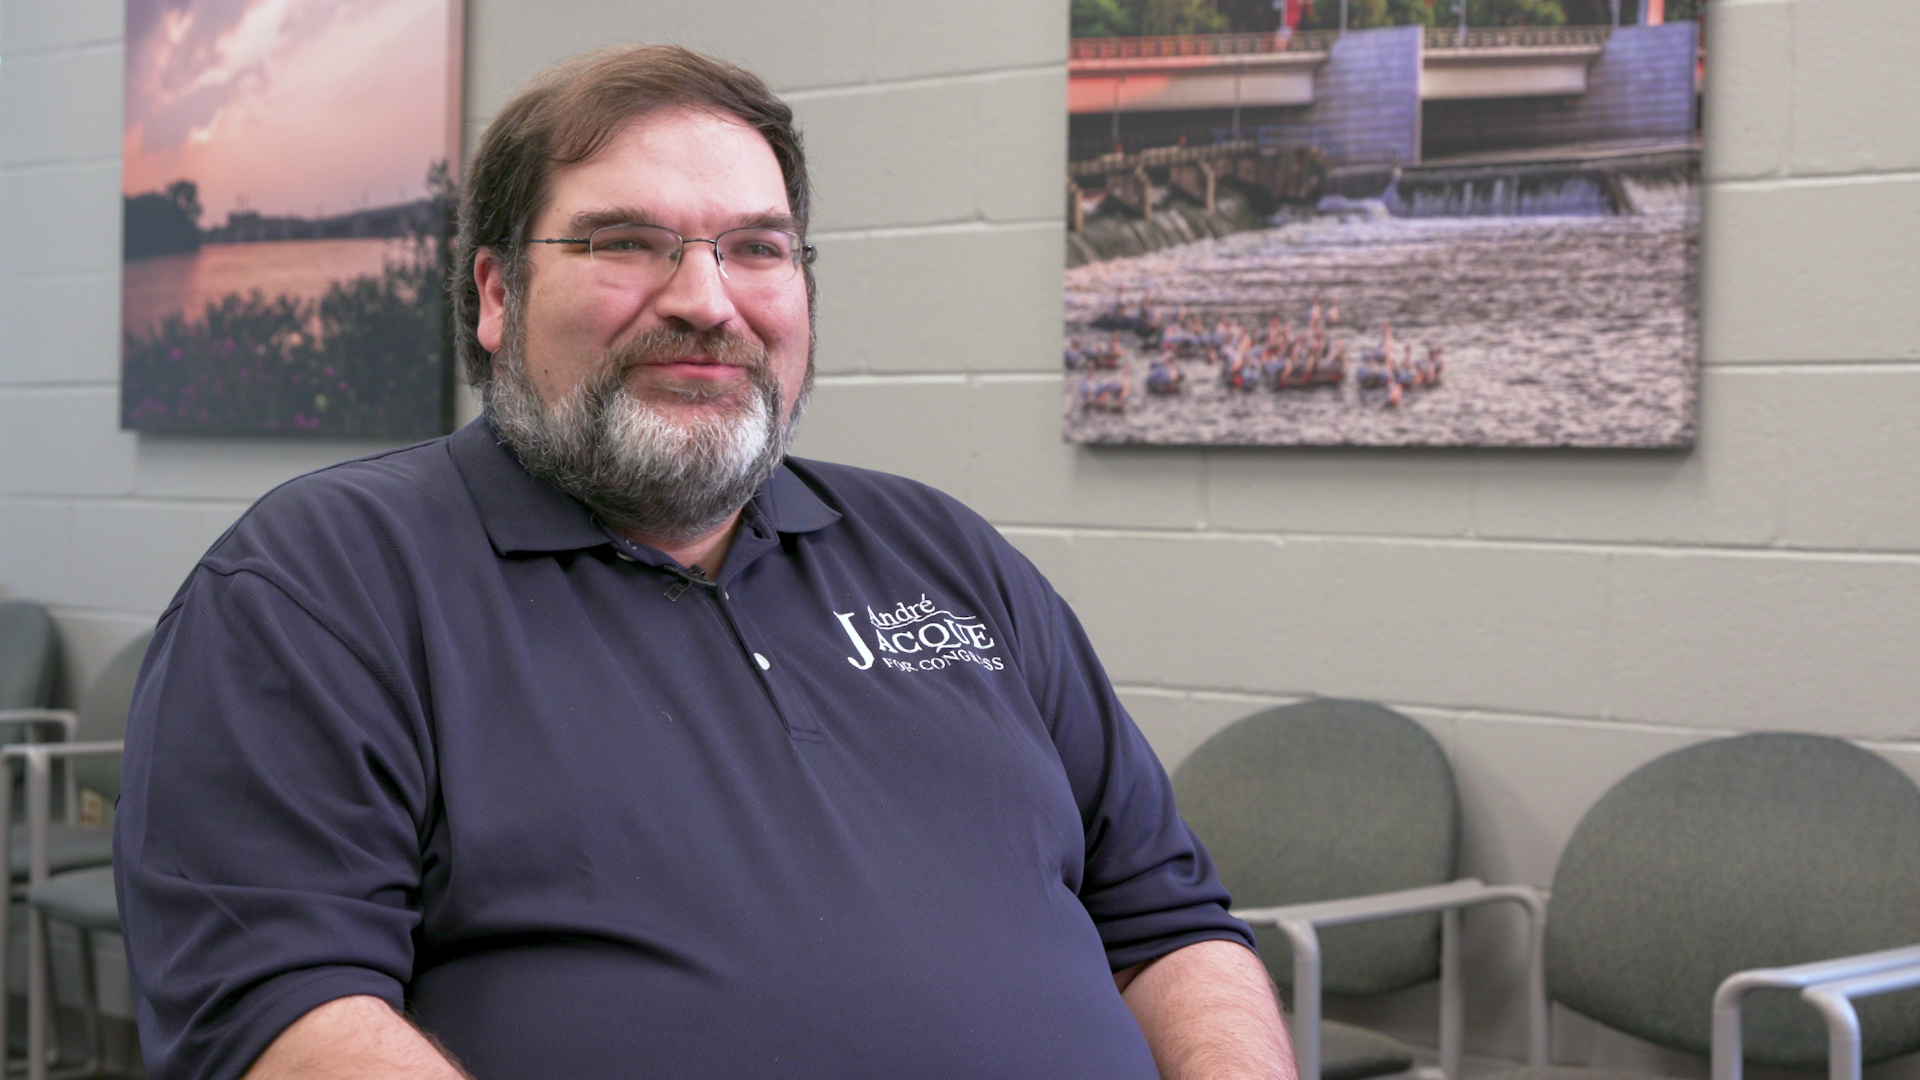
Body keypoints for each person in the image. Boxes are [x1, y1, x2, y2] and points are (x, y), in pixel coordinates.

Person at [114, 45, 1293, 1080]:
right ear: (494, 294)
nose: (705, 301)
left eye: (757, 248)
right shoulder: (319, 586)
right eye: (627, 243)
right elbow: (280, 1016)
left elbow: (1166, 919)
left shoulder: (949, 556)